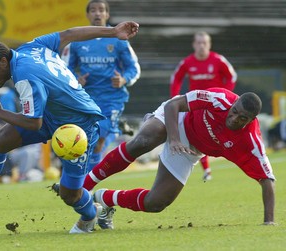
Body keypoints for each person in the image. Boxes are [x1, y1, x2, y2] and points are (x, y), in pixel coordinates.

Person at [0, 21, 140, 234]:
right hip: (52, 115)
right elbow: (69, 33)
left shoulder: (25, 77)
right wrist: (113, 31)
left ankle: (93, 213)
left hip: (80, 125)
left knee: (69, 194)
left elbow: (33, 123)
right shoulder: (31, 46)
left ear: (2, 61)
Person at [83, 88, 276, 228]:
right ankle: (83, 186)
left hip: (191, 148)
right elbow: (174, 105)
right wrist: (174, 139)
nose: (234, 118)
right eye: (234, 111)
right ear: (233, 104)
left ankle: (105, 198)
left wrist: (269, 221)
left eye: (242, 118)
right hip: (179, 117)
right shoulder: (220, 99)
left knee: (156, 203)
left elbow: (267, 180)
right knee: (145, 140)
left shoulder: (251, 141)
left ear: (251, 121)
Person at [62, 0, 140, 171]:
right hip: (86, 99)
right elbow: (63, 68)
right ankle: (116, 129)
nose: (97, 13)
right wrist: (75, 79)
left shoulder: (119, 41)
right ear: (88, 15)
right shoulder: (76, 41)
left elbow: (134, 68)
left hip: (112, 98)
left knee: (97, 141)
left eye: (101, 10)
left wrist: (124, 80)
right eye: (93, 10)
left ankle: (84, 185)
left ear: (107, 14)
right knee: (86, 141)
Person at [170, 31, 237, 181]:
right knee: (199, 135)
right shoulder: (187, 62)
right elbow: (176, 78)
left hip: (216, 106)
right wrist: (175, 97)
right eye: (198, 43)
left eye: (204, 43)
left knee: (222, 133)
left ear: (209, 44)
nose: (201, 46)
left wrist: (226, 95)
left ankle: (237, 157)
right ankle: (206, 169)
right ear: (194, 44)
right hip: (196, 105)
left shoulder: (218, 60)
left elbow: (232, 76)